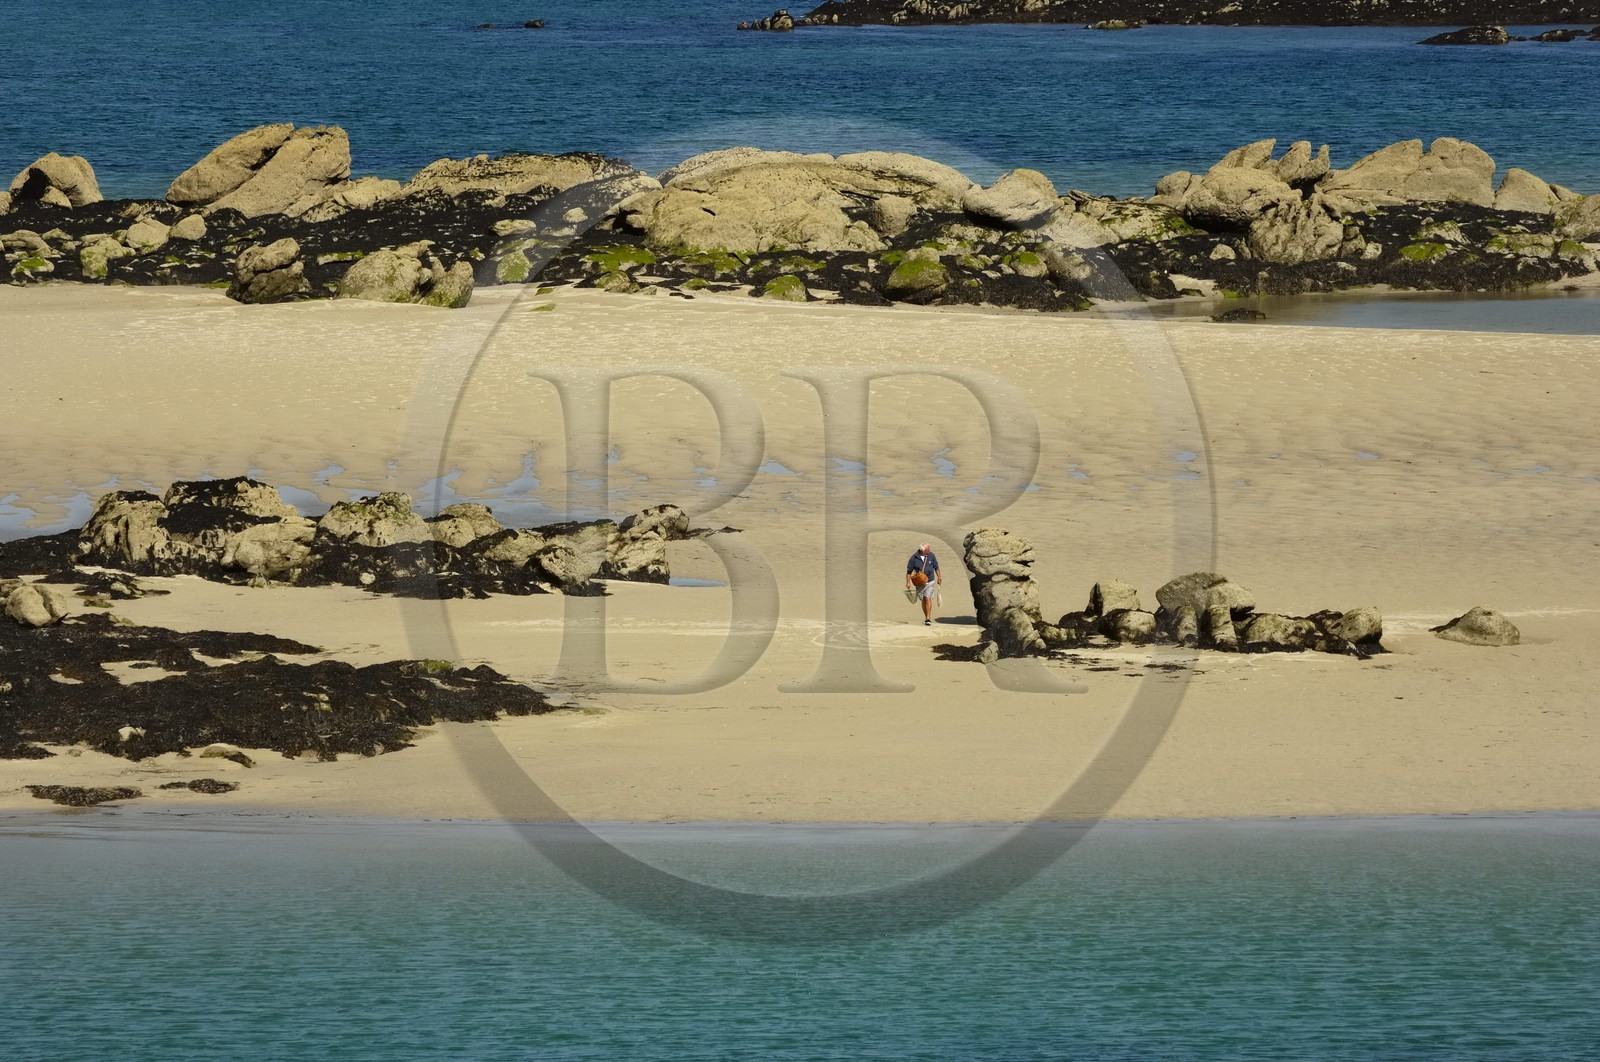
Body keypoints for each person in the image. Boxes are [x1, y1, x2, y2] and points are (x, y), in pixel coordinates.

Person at [905, 542, 942, 626]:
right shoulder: (913, 558)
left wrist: (939, 577)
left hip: (930, 581)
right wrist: (908, 582)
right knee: (923, 600)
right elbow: (909, 572)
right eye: (928, 549)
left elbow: (936, 567)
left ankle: (928, 618)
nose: (930, 551)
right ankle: (926, 617)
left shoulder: (931, 555)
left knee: (927, 597)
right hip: (919, 583)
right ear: (923, 551)